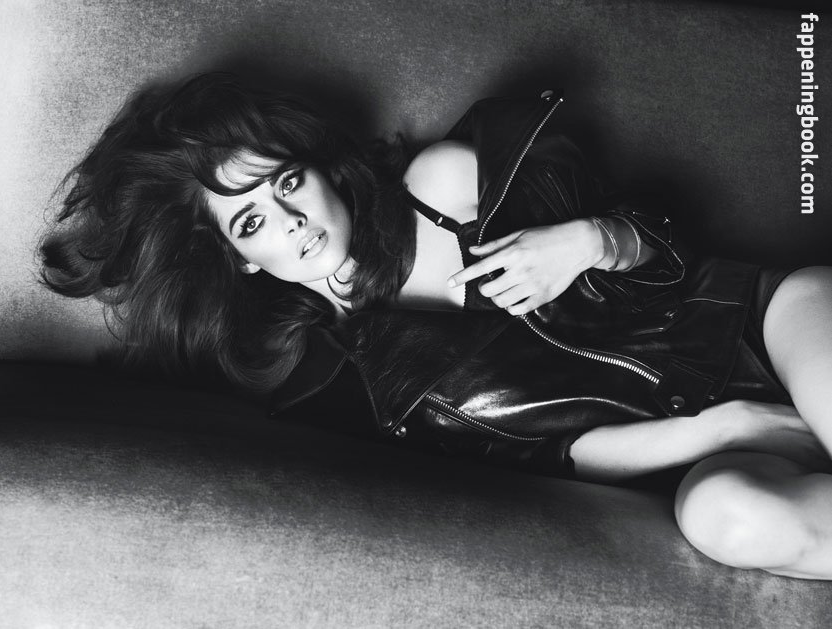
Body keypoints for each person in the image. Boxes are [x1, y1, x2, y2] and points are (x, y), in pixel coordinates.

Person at [40, 72, 832, 580]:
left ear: (321, 169)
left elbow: (675, 253)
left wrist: (591, 239)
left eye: (288, 181)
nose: (290, 220)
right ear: (236, 259)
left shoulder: (441, 188)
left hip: (763, 325)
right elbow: (545, 453)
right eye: (251, 221)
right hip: (705, 444)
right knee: (726, 519)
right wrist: (715, 430)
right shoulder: (343, 381)